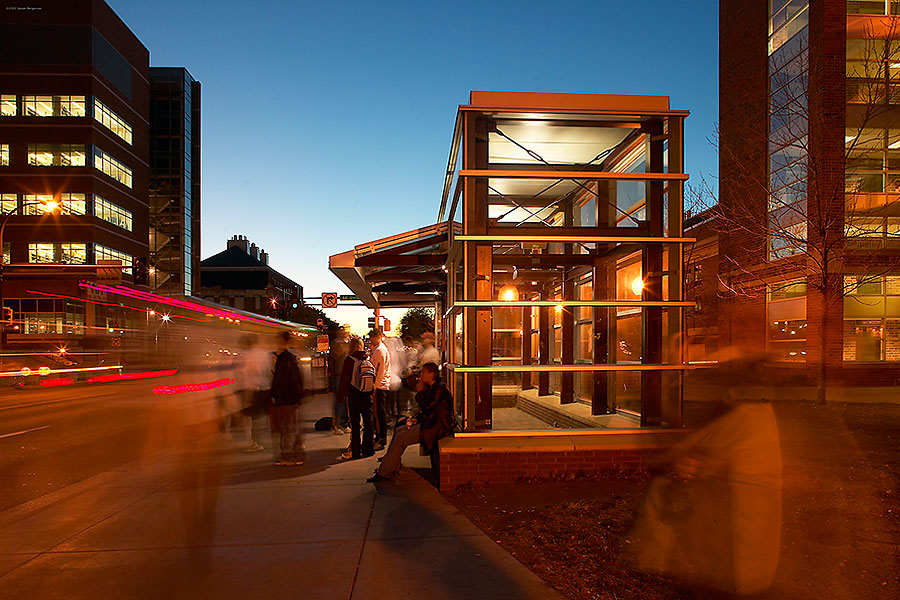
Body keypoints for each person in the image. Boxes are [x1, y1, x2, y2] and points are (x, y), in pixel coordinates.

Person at [367, 362, 455, 483]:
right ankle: (391, 466)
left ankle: (384, 472)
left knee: (401, 438)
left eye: (424, 372)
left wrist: (419, 392)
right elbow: (428, 411)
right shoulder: (432, 387)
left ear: (432, 374)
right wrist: (416, 419)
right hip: (429, 423)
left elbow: (428, 407)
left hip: (436, 428)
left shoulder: (439, 389)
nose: (421, 375)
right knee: (399, 429)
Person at [269, 331, 305, 466]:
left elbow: (280, 381)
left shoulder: (283, 359)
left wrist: (275, 395)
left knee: (287, 428)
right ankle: (298, 454)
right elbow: (298, 379)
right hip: (293, 397)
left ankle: (288, 457)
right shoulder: (292, 358)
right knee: (292, 427)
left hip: (285, 398)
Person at [336, 337, 375, 460]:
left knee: (355, 424)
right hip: (367, 394)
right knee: (368, 423)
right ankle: (369, 449)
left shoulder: (350, 360)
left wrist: (341, 397)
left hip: (354, 395)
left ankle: (356, 451)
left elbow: (344, 380)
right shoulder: (367, 358)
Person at [236, 333, 272, 452]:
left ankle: (253, 442)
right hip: (264, 387)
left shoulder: (244, 355)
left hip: (249, 388)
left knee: (249, 417)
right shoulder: (264, 354)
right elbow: (268, 371)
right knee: (262, 415)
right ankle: (262, 440)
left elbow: (241, 373)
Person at [368, 328, 391, 451]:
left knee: (379, 413)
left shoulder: (379, 351)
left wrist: (375, 387)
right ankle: (381, 436)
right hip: (382, 384)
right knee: (380, 412)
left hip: (379, 386)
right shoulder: (381, 349)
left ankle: (381, 438)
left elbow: (378, 371)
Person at [329, 327, 351, 434]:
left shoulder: (348, 343)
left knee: (345, 401)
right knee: (340, 400)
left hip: (346, 375)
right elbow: (334, 359)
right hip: (339, 375)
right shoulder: (336, 344)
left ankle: (344, 424)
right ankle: (337, 425)